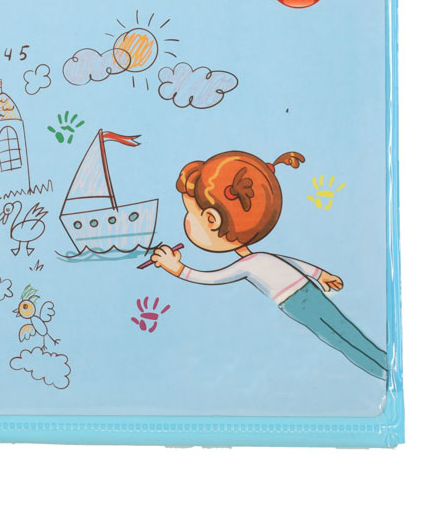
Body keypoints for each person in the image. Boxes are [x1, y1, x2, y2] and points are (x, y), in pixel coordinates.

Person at [149, 149, 388, 379]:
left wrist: (177, 269)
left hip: (296, 302)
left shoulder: (249, 264)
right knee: (344, 333)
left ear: (212, 220)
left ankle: (385, 371)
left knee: (339, 339)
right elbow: (287, 263)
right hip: (306, 292)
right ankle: (387, 368)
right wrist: (319, 274)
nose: (187, 222)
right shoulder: (256, 259)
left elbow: (213, 277)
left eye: (190, 215)